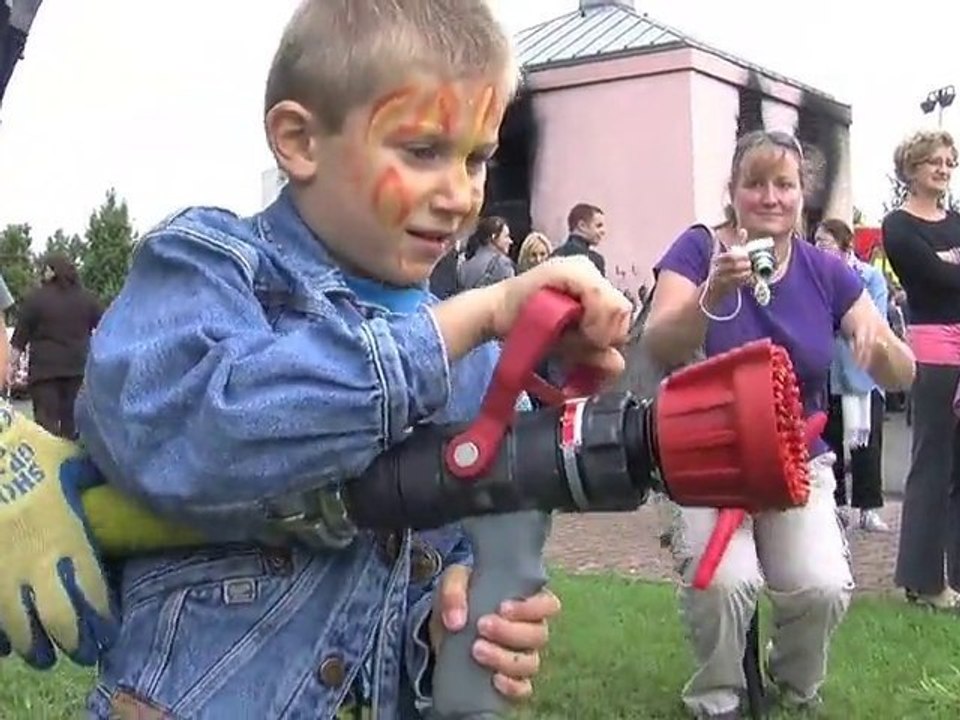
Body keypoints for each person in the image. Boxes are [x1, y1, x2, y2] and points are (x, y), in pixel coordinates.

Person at [0, 2, 634, 718]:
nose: (460, 195)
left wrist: (444, 626)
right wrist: (466, 322)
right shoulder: (211, 267)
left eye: (476, 158)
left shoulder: (481, 365)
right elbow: (202, 438)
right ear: (300, 141)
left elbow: (425, 575)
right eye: (422, 150)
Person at [644, 129, 915, 719]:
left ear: (801, 194)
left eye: (784, 184)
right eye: (756, 184)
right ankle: (717, 695)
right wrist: (713, 291)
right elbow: (659, 342)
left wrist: (878, 346)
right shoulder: (698, 249)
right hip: (704, 453)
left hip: (795, 459)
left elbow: (902, 372)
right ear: (733, 192)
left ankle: (794, 683)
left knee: (822, 586)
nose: (771, 197)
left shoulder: (826, 271)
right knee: (724, 581)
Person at [883, 129, 960, 611]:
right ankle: (923, 580)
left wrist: (948, 265)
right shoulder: (898, 226)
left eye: (950, 162)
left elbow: (946, 274)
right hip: (933, 354)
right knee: (932, 463)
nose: (944, 169)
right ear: (911, 168)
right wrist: (948, 267)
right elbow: (929, 278)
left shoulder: (957, 222)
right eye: (934, 161)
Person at [815, 219, 890, 533]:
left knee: (867, 445)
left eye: (826, 243)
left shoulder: (869, 277)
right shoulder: (815, 279)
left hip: (864, 372)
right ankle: (837, 507)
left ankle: (868, 509)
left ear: (845, 245)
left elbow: (875, 320)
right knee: (830, 444)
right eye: (816, 242)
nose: (819, 248)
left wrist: (847, 321)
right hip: (827, 372)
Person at [9, 252, 102, 438]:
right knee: (73, 427)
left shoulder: (35, 300)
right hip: (77, 372)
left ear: (50, 271)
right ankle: (72, 454)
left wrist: (10, 369)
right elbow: (106, 330)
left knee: (46, 430)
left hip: (44, 375)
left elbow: (19, 340)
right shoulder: (88, 299)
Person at [457, 215, 515, 289]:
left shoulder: (464, 266)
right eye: (506, 236)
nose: (510, 241)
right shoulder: (502, 264)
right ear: (493, 237)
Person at [551, 203, 606, 276]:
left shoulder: (554, 256)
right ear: (582, 226)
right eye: (598, 226)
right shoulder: (594, 260)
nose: (603, 231)